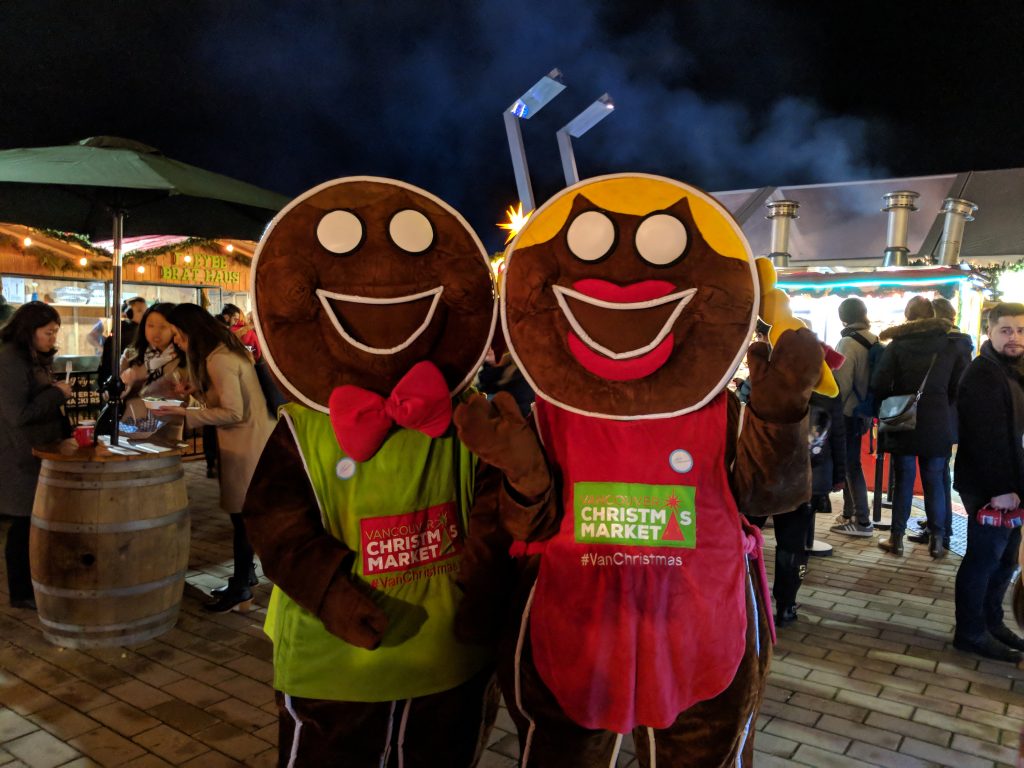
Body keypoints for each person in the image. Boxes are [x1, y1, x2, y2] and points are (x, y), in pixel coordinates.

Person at [154, 303, 275, 612]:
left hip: (248, 445)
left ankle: (241, 588)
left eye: (178, 336)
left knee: (243, 519)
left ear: (190, 332)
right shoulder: (223, 352)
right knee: (243, 518)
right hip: (249, 442)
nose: (177, 343)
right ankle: (245, 579)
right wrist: (196, 391)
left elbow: (234, 411)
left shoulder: (219, 360)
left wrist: (184, 412)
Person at [952, 302, 1024, 662]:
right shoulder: (982, 373)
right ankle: (970, 632)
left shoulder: (1013, 371)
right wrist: (1001, 489)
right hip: (990, 486)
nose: (1014, 337)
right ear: (990, 332)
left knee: (1006, 559)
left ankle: (991, 622)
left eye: (1021, 330)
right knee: (984, 559)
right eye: (1006, 330)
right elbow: (985, 437)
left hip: (1012, 483)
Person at [872, 296, 966, 558]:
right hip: (938, 421)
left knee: (903, 481)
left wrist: (896, 399)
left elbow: (879, 383)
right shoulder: (950, 346)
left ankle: (896, 539)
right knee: (935, 480)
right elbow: (958, 387)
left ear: (909, 317)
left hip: (904, 419)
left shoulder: (897, 345)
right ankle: (937, 542)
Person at [0, 302, 74, 609]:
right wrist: (58, 393)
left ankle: (34, 583)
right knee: (23, 521)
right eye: (49, 332)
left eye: (55, 332)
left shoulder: (32, 357)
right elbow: (18, 413)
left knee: (33, 519)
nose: (53, 339)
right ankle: (22, 592)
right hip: (19, 452)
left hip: (36, 450)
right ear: (29, 331)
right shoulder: (9, 361)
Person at [908, 297, 974, 549]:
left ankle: (938, 534)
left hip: (936, 418)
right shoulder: (962, 343)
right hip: (951, 420)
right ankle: (942, 524)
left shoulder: (945, 345)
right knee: (941, 473)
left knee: (932, 475)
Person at [830, 297, 877, 537]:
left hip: (848, 412)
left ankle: (862, 521)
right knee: (850, 463)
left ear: (844, 317)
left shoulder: (848, 342)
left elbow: (841, 384)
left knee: (851, 464)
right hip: (864, 412)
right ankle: (849, 513)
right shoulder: (873, 339)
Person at [118, 302, 184, 440]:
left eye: (163, 327)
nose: (156, 332)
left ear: (175, 328)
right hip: (132, 425)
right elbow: (114, 394)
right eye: (150, 326)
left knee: (164, 461)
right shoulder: (131, 355)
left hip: (169, 428)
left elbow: (197, 399)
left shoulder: (183, 356)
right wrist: (130, 379)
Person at [96, 296, 147, 382]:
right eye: (139, 311)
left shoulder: (118, 329)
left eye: (145, 311)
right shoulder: (134, 333)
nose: (144, 314)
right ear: (129, 313)